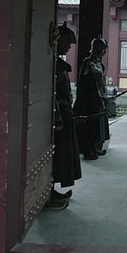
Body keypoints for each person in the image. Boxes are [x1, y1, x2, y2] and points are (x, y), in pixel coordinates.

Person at [46, 24, 82, 209]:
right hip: (57, 116)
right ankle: (47, 191)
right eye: (67, 43)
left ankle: (51, 190)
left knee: (62, 154)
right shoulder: (51, 65)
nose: (69, 47)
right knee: (57, 155)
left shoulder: (57, 64)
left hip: (64, 113)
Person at [73, 37, 110, 160]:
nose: (104, 52)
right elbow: (85, 84)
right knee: (89, 127)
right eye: (103, 49)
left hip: (97, 98)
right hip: (88, 100)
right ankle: (88, 150)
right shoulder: (88, 63)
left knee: (97, 126)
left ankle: (95, 147)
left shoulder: (98, 63)